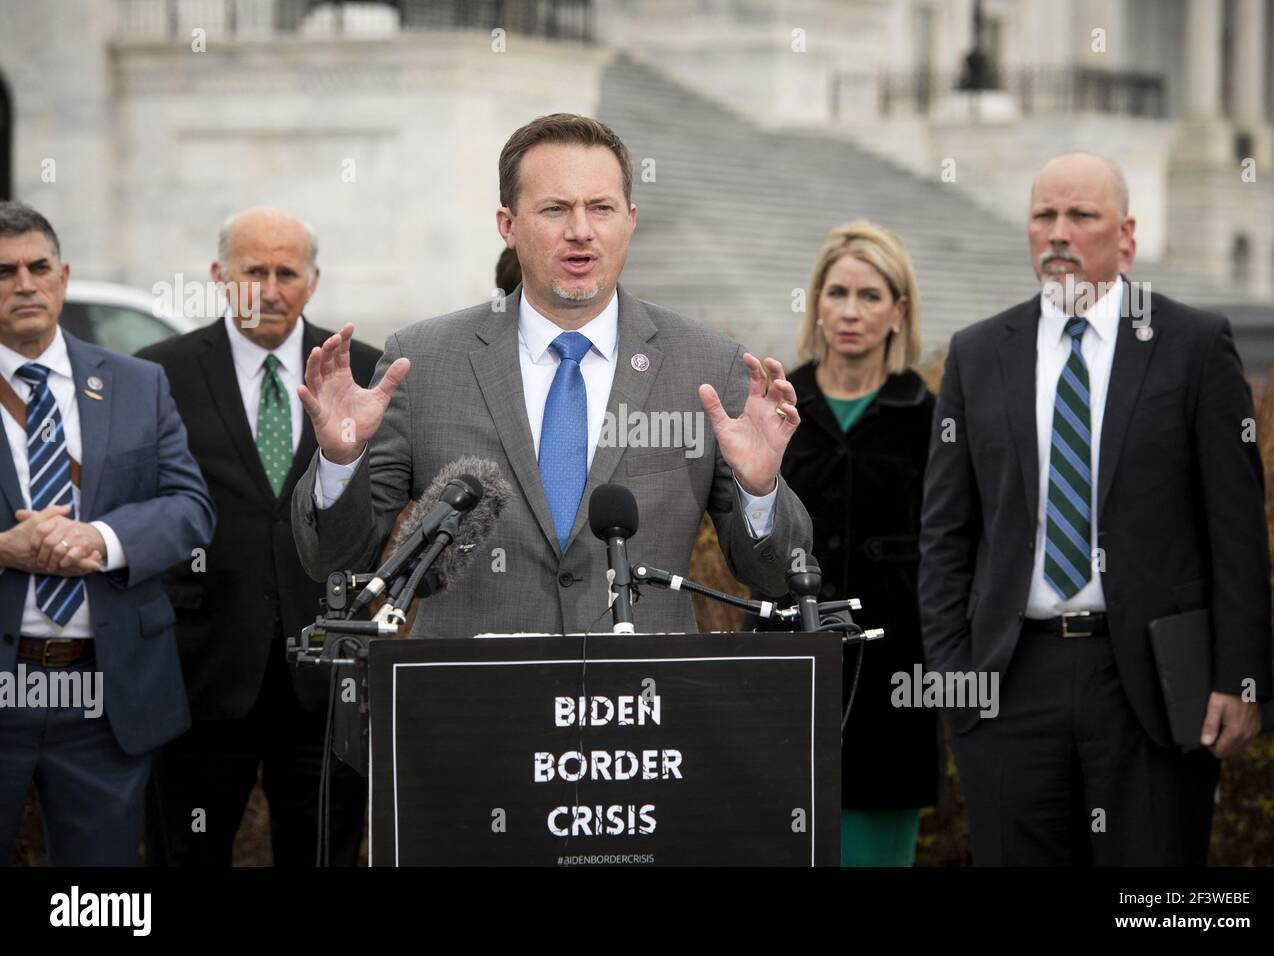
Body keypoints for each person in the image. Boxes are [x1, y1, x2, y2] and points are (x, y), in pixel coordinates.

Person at [291, 113, 813, 636]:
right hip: (474, 699)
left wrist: (759, 487)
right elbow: (334, 562)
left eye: (601, 208)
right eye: (555, 209)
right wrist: (340, 460)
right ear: (508, 225)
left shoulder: (706, 365)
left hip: (642, 697)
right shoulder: (423, 362)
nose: (580, 231)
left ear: (630, 219)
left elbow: (773, 574)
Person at [919, 153, 1274, 865]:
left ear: (1127, 237)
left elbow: (1236, 531)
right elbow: (946, 534)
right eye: (1044, 215)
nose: (1060, 233)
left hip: (1149, 684)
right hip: (1011, 682)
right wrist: (956, 674)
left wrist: (1239, 676)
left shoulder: (1194, 347)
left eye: (1081, 216)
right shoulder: (979, 354)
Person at [138, 207, 378, 867]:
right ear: (219, 275)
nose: (270, 289)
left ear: (314, 279)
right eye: (253, 271)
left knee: (323, 852)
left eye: (287, 272)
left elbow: (379, 517)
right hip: (200, 674)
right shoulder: (158, 376)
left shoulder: (362, 371)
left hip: (326, 679)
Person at [0, 200, 214, 865]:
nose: (25, 284)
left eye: (39, 267)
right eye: (4, 272)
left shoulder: (137, 383)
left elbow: (190, 507)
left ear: (63, 276)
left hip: (105, 696)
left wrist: (101, 539)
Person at [773, 220, 939, 865]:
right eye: (837, 292)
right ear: (816, 302)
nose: (850, 311)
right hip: (788, 673)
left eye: (870, 296)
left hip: (897, 682)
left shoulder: (932, 419)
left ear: (900, 311)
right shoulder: (777, 406)